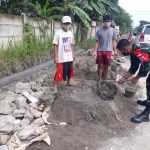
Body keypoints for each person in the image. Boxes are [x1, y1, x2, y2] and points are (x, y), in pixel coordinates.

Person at [117, 39, 150, 123]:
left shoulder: (139, 50)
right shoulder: (132, 52)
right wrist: (124, 78)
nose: (123, 53)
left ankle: (146, 115)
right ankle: (148, 101)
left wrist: (137, 77)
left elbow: (145, 68)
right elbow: (133, 68)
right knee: (148, 83)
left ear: (126, 48)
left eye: (122, 51)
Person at [53, 16, 75, 91]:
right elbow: (55, 45)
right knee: (59, 71)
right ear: (62, 24)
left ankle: (68, 82)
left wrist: (73, 54)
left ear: (70, 24)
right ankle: (55, 86)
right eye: (65, 23)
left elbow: (72, 44)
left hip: (69, 56)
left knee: (70, 70)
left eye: (68, 24)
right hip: (61, 57)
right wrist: (56, 57)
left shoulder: (71, 33)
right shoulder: (58, 33)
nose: (67, 25)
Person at [93, 15, 117, 81]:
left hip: (109, 51)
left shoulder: (113, 31)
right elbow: (97, 42)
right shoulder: (99, 31)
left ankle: (105, 79)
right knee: (100, 66)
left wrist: (115, 51)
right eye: (105, 21)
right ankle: (100, 79)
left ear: (111, 22)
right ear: (103, 22)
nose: (107, 23)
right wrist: (95, 51)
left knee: (107, 66)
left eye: (108, 21)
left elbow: (114, 41)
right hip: (100, 51)